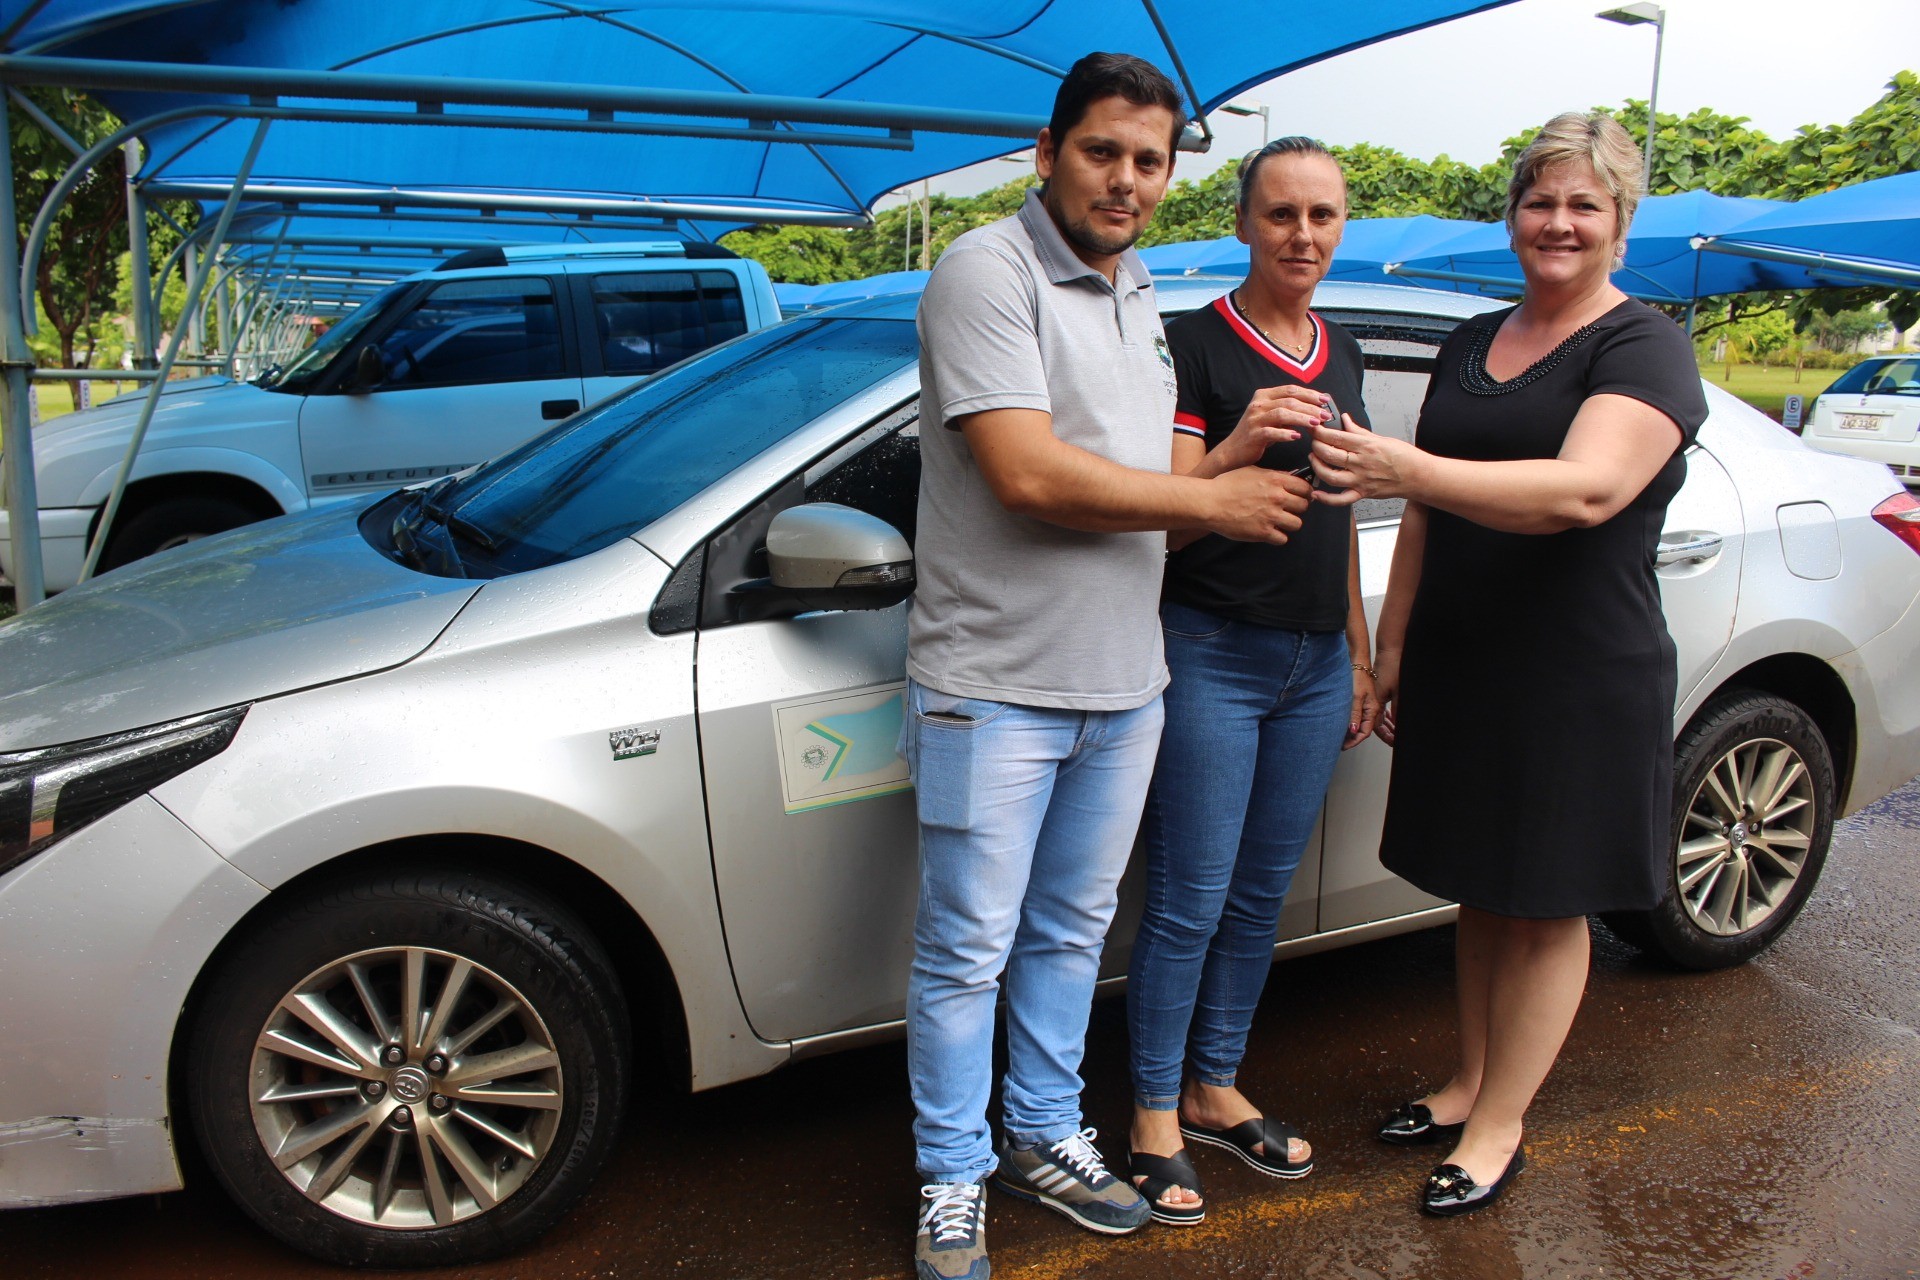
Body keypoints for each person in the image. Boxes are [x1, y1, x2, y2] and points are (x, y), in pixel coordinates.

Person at [904, 52, 1314, 1280]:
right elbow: (1027, 473)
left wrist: (1226, 459)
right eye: (1103, 152)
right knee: (966, 946)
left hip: (1125, 685)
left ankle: (1040, 1132)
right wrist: (1219, 499)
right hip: (990, 684)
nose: (1127, 179)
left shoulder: (1139, 293)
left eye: (1150, 160)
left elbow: (1149, 498)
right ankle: (951, 1174)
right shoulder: (985, 270)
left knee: (1072, 934)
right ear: (1049, 150)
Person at [1307, 112, 1709, 1216]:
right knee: (1485, 887)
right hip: (1467, 659)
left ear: (1621, 224)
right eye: (1542, 201)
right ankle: (1467, 1082)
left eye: (1585, 205)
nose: (1559, 223)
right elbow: (1431, 505)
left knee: (1545, 901)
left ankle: (1500, 1124)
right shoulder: (1472, 338)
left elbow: (1583, 491)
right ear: (1514, 215)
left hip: (1578, 670)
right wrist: (1391, 646)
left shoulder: (1642, 344)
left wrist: (1405, 462)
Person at [1123, 136, 1379, 1226]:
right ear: (1242, 223)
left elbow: (1348, 515)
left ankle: (1215, 1084)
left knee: (1262, 889)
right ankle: (1148, 1117)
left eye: (1322, 215)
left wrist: (1361, 650)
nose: (1303, 236)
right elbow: (1161, 512)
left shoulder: (1347, 349)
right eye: (1281, 214)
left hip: (1317, 660)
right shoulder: (1194, 346)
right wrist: (1238, 443)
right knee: (1188, 893)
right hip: (1212, 650)